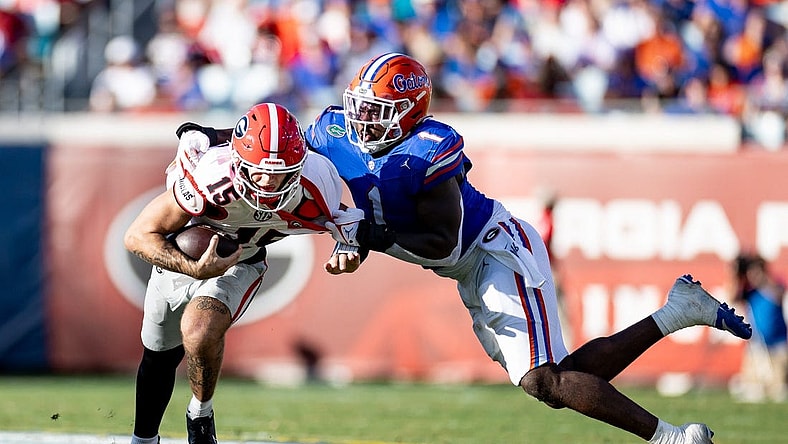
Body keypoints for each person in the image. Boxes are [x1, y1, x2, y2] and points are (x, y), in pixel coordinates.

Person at [302, 52, 753, 443]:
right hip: (467, 265)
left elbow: (442, 243)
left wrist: (362, 236)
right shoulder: (332, 133)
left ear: (409, 114)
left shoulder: (428, 149)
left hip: (491, 250)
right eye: (360, 107)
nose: (362, 120)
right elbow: (330, 190)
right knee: (556, 378)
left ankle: (673, 437)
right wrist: (355, 240)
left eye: (378, 110)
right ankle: (678, 311)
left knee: (545, 380)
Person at [124, 102, 361, 444]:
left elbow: (350, 226)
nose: (269, 181)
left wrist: (349, 249)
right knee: (159, 355)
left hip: (242, 261)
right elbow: (137, 236)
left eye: (281, 172)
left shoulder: (318, 183)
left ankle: (200, 416)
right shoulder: (208, 176)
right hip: (181, 259)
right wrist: (191, 266)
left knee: (200, 328)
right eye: (260, 170)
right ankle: (144, 438)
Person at [728, 253, 788, 403]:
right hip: (757, 346)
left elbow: (778, 296)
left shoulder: (774, 285)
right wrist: (735, 274)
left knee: (779, 389)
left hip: (778, 344)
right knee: (752, 388)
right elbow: (732, 298)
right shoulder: (749, 291)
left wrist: (762, 279)